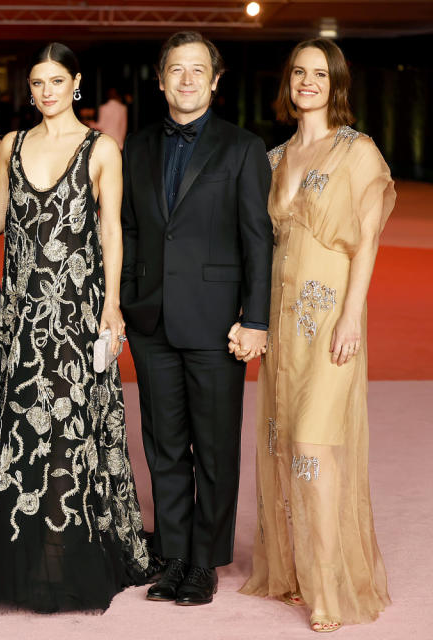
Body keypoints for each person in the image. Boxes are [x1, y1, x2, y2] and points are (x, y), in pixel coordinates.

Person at [0, 42, 159, 614]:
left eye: (56, 80)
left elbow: (111, 232)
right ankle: (29, 552)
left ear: (75, 83)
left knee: (76, 425)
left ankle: (70, 549)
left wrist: (112, 304)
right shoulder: (11, 145)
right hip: (24, 312)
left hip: (79, 312)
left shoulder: (101, 148)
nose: (46, 91)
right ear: (29, 89)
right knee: (24, 428)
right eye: (37, 82)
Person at [238, 39, 395, 633]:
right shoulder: (275, 156)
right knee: (287, 446)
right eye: (299, 72)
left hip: (328, 319)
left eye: (320, 74)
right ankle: (301, 573)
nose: (308, 82)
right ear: (288, 82)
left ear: (336, 84)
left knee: (314, 448)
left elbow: (368, 242)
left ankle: (328, 590)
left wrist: (353, 316)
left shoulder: (358, 152)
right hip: (281, 325)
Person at [119, 31, 273, 606]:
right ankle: (175, 552)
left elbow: (259, 241)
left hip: (216, 324)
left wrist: (254, 319)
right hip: (152, 320)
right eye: (175, 69)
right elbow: (132, 230)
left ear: (214, 80)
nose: (186, 79)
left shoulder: (242, 148)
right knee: (162, 443)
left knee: (213, 446)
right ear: (160, 80)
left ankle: (204, 561)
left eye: (197, 69)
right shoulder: (135, 147)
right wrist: (132, 299)